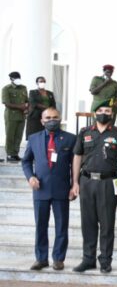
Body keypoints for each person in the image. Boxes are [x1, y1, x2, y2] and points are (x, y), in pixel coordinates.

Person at [70, 98, 117, 273]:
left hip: (108, 182)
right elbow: (77, 157)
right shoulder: (84, 132)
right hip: (86, 181)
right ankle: (88, 259)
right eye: (101, 111)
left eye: (108, 111)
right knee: (87, 223)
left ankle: (105, 261)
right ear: (95, 113)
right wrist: (75, 182)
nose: (104, 114)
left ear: (112, 114)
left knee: (106, 223)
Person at [21, 108, 76, 271]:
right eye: (48, 118)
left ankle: (58, 259)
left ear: (60, 119)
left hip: (62, 189)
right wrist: (30, 177)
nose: (52, 120)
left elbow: (75, 165)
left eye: (55, 117)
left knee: (61, 226)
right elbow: (25, 161)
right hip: (40, 189)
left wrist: (74, 185)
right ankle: (41, 258)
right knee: (41, 225)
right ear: (42, 121)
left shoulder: (70, 139)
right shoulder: (33, 138)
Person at [2, 71, 28, 162]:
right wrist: (20, 107)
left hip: (22, 115)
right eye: (16, 78)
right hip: (11, 116)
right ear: (11, 79)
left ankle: (15, 154)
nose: (18, 80)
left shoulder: (23, 88)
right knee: (10, 135)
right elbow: (6, 103)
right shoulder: (6, 89)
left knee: (18, 135)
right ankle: (9, 154)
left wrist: (26, 108)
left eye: (19, 78)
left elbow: (26, 101)